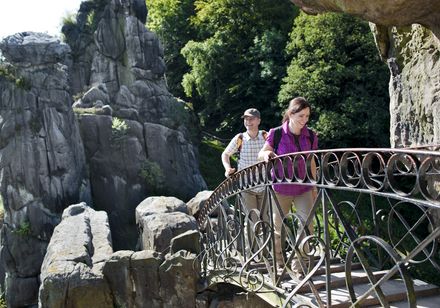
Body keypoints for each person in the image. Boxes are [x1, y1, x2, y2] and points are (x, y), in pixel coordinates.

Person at [258, 97, 318, 271]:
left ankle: (299, 266)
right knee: (278, 227)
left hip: (304, 187)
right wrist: (266, 155)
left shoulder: (311, 135)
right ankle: (278, 264)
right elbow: (263, 153)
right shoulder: (276, 133)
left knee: (307, 225)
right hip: (280, 187)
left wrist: (314, 187)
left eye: (307, 116)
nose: (304, 120)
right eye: (300, 115)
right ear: (290, 114)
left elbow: (312, 161)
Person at [222, 108, 267, 214]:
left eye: (252, 119)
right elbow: (225, 154)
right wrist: (227, 168)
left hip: (265, 185)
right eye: (246, 119)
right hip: (246, 186)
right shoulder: (240, 138)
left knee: (266, 219)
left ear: (259, 121)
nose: (248, 121)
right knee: (253, 220)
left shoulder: (266, 136)